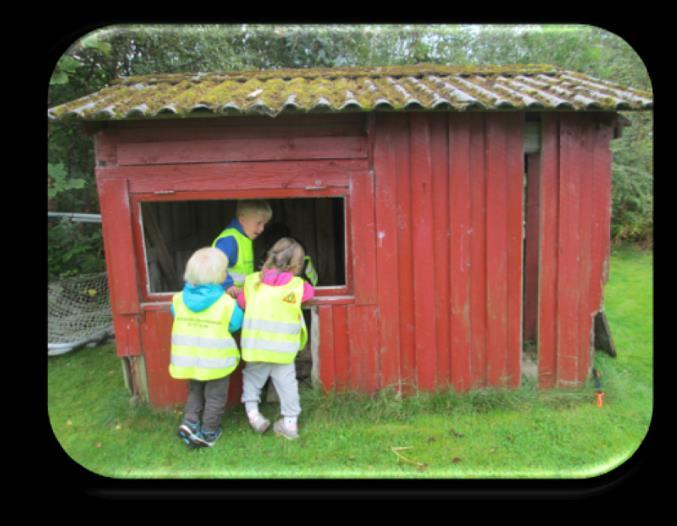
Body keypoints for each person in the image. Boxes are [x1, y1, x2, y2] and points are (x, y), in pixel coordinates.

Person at [237, 237, 315, 440]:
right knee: (287, 384)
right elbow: (310, 293)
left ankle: (254, 415)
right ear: (297, 264)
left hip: (256, 346)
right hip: (283, 348)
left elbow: (242, 302)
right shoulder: (298, 286)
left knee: (252, 379)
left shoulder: (252, 281)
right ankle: (290, 424)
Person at [169, 247, 244, 448]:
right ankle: (209, 431)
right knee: (215, 397)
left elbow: (176, 315)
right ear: (220, 275)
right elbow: (236, 324)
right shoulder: (226, 303)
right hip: (216, 361)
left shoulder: (177, 300)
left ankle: (190, 422)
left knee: (195, 391)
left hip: (189, 359)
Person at [212, 200, 273, 299]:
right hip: (223, 298)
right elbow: (214, 265)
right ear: (242, 220)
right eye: (258, 223)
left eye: (264, 224)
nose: (262, 229)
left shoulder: (244, 238)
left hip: (236, 298)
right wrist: (228, 285)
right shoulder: (229, 240)